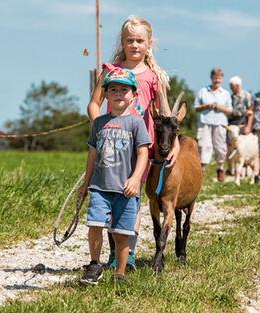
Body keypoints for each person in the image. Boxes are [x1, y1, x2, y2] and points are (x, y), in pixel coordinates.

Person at [87, 16, 179, 271]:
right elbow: (94, 104)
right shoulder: (111, 71)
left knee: (132, 198)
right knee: (108, 193)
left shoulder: (154, 76)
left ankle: (127, 254)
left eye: (140, 40)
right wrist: (100, 127)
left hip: (140, 148)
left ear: (149, 44)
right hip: (110, 146)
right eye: (130, 40)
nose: (134, 45)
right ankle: (112, 251)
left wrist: (176, 145)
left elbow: (166, 113)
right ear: (122, 42)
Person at [78, 68, 151, 284]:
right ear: (106, 95)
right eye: (113, 90)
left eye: (124, 89)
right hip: (100, 187)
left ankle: (119, 273)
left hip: (126, 190)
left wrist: (136, 178)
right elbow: (92, 154)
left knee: (121, 234)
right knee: (95, 225)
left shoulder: (136, 123)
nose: (118, 93)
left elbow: (143, 152)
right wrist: (86, 183)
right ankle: (94, 265)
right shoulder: (99, 123)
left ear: (134, 95)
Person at [194, 68, 232, 181]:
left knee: (220, 146)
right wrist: (206, 106)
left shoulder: (225, 93)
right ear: (211, 78)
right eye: (215, 78)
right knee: (203, 145)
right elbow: (196, 107)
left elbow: (230, 111)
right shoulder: (203, 91)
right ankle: (201, 170)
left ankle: (220, 169)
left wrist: (220, 108)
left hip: (220, 122)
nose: (217, 81)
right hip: (205, 121)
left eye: (219, 79)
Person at [226, 75, 251, 175]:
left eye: (232, 86)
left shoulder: (246, 95)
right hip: (231, 123)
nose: (231, 88)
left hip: (242, 122)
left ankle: (242, 170)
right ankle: (230, 169)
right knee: (229, 146)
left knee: (241, 147)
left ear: (237, 85)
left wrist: (248, 126)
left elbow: (250, 112)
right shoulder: (230, 96)